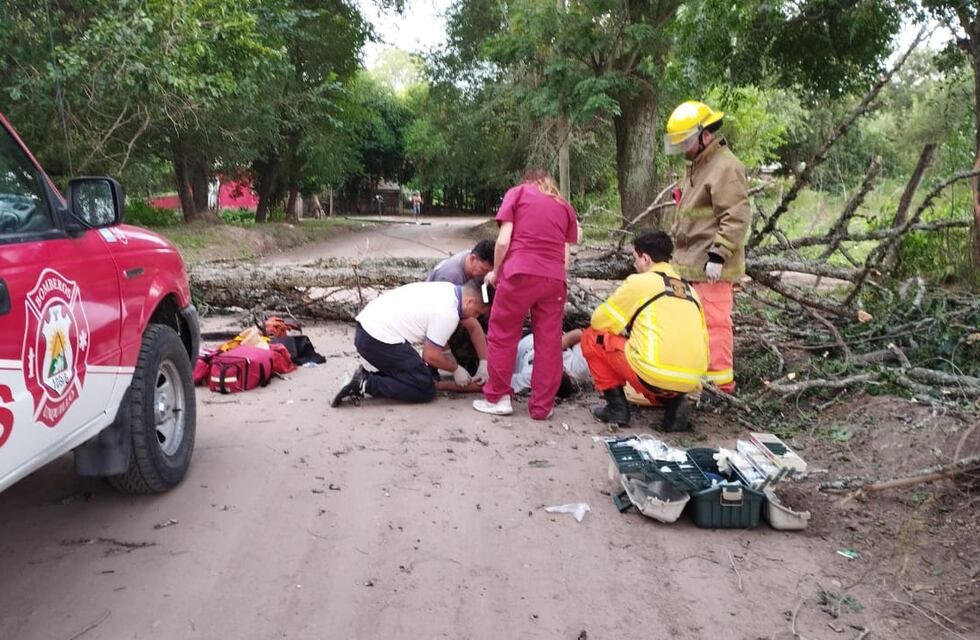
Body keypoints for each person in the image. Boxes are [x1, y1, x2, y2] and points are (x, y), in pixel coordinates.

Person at [473, 170, 579, 420]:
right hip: (554, 279)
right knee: (549, 343)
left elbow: (502, 242)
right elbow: (565, 260)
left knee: (502, 335)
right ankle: (542, 406)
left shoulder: (518, 194)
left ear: (527, 181)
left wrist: (496, 273)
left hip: (519, 272)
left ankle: (499, 398)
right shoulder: (565, 207)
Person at [663, 100, 751, 395]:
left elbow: (736, 216)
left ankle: (721, 388)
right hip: (690, 263)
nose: (683, 148)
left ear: (705, 135)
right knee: (692, 325)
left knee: (714, 326)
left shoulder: (725, 167)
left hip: (711, 267)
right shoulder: (699, 166)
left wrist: (718, 255)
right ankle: (696, 383)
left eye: (686, 141)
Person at [580, 231, 708, 432]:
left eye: (635, 258)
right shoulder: (689, 290)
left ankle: (617, 408)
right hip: (692, 379)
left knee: (590, 338)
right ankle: (675, 403)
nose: (634, 264)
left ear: (645, 258)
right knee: (663, 366)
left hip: (654, 373)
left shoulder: (639, 283)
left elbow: (599, 321)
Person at [331, 278, 493, 407]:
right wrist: (456, 369)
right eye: (477, 312)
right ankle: (364, 383)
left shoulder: (448, 289)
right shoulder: (448, 312)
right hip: (376, 338)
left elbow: (440, 341)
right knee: (424, 387)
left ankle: (359, 378)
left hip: (369, 329)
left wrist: (483, 363)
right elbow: (430, 355)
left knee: (419, 375)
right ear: (469, 302)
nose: (475, 317)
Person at [426, 240, 495, 381]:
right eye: (484, 270)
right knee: (465, 325)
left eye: (490, 271)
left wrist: (485, 360)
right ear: (472, 259)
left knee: (488, 315)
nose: (486, 275)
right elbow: (439, 318)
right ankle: (446, 362)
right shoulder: (450, 277)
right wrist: (452, 365)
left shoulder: (477, 270)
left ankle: (480, 361)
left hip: (462, 305)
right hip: (437, 315)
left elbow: (484, 304)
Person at [510, 329, 591, 397]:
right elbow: (581, 334)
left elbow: (502, 381)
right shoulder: (579, 369)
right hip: (548, 330)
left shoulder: (531, 377)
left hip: (518, 341)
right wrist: (558, 346)